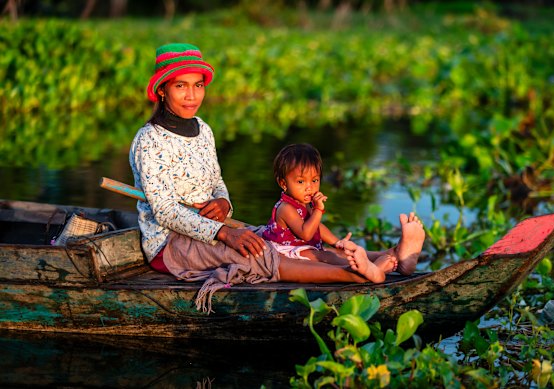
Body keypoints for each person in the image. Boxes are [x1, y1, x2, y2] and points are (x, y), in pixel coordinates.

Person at [129, 43, 423, 312]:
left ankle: (390, 255)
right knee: (256, 257)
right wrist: (224, 233)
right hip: (170, 245)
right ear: (162, 90)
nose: (192, 95)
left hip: (211, 227)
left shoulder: (202, 129)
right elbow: (165, 212)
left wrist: (222, 203)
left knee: (277, 238)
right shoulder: (149, 141)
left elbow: (217, 183)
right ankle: (355, 275)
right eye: (181, 86)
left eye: (197, 85)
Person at [262, 143, 425, 276]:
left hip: (302, 248)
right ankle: (365, 268)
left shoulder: (303, 202)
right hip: (285, 252)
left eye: (314, 180)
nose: (309, 187)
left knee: (337, 252)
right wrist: (318, 210)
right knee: (324, 256)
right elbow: (306, 233)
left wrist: (337, 242)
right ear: (283, 183)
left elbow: (317, 227)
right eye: (300, 182)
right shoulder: (286, 208)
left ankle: (395, 255)